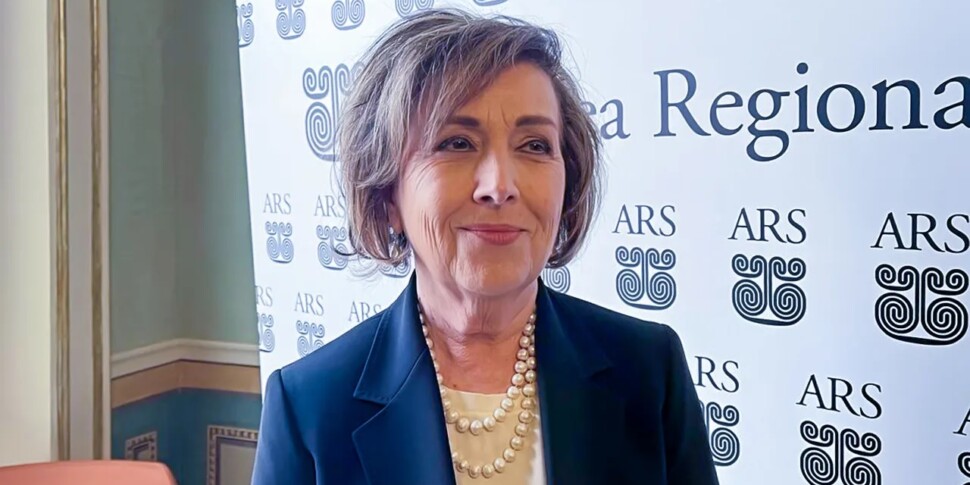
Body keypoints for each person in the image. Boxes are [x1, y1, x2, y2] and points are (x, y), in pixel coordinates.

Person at [252, 8, 719, 485]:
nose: (500, 186)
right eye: (456, 143)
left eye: (535, 145)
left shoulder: (648, 369)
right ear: (388, 194)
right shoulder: (309, 405)